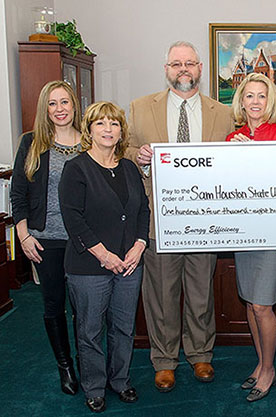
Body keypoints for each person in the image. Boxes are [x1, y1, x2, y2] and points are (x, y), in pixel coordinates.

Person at [126, 40, 233, 392]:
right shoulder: (140, 108)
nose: (183, 69)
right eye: (176, 64)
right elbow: (119, 149)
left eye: (189, 63)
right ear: (166, 69)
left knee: (201, 292)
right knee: (161, 293)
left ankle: (200, 354)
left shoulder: (222, 112)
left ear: (201, 68)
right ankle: (164, 360)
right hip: (159, 219)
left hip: (205, 220)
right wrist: (137, 155)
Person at [59, 101, 150, 413]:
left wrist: (139, 245)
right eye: (100, 123)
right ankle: (95, 387)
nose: (108, 129)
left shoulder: (129, 168)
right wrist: (104, 255)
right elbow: (73, 219)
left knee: (124, 328)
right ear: (89, 130)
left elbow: (142, 212)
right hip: (90, 267)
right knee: (90, 330)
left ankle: (120, 381)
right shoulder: (76, 168)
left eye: (114, 123)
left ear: (121, 130)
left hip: (129, 264)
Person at [226, 72, 276, 401]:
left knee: (262, 305)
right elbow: (226, 188)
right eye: (250, 96)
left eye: (262, 96)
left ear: (271, 102)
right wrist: (235, 154)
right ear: (241, 101)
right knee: (249, 303)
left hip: (274, 233)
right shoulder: (232, 138)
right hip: (244, 232)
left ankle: (269, 368)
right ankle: (259, 362)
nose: (255, 102)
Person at [10, 80, 82, 396]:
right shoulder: (32, 143)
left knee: (86, 308)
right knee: (54, 305)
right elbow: (18, 193)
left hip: (84, 240)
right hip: (45, 239)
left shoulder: (90, 141)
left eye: (64, 102)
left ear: (74, 105)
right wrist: (23, 235)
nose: (59, 109)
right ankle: (65, 366)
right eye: (52, 104)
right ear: (45, 109)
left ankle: (88, 363)